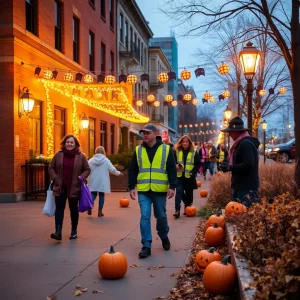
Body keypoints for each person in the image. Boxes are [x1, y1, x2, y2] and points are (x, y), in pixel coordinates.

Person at [128, 123, 177, 259]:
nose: (144, 134)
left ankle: (164, 235)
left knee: (160, 216)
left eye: (147, 132)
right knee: (145, 216)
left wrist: (172, 186)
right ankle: (146, 245)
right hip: (144, 190)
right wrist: (131, 187)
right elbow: (133, 169)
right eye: (143, 132)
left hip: (159, 190)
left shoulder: (166, 150)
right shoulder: (138, 150)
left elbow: (172, 169)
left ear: (155, 134)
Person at [49, 134, 91, 240]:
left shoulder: (81, 156)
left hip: (74, 187)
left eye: (71, 142)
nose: (69, 144)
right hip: (60, 187)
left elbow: (87, 169)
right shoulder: (58, 155)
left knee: (73, 210)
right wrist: (56, 178)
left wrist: (81, 177)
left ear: (75, 144)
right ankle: (58, 231)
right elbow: (51, 167)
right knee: (59, 209)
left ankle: (73, 231)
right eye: (68, 142)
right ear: (64, 143)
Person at [220, 116, 260, 207]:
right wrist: (227, 164)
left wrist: (231, 167)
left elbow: (248, 165)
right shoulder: (239, 144)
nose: (229, 134)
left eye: (230, 131)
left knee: (245, 216)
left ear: (236, 131)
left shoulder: (246, 144)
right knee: (239, 217)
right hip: (240, 186)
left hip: (246, 187)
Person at [88, 146, 123, 217]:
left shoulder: (91, 160)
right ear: (103, 152)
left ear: (95, 152)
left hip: (93, 180)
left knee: (93, 194)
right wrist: (118, 173)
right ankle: (100, 212)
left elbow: (86, 169)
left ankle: (89, 205)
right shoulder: (106, 160)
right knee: (101, 195)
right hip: (102, 181)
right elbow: (112, 169)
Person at [173, 135, 200, 218]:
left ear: (189, 143)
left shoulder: (194, 151)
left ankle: (187, 207)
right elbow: (172, 162)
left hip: (189, 176)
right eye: (183, 142)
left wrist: (193, 172)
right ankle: (177, 210)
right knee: (179, 192)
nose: (185, 143)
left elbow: (197, 163)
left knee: (189, 194)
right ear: (181, 142)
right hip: (179, 176)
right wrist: (176, 165)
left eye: (186, 142)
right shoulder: (176, 151)